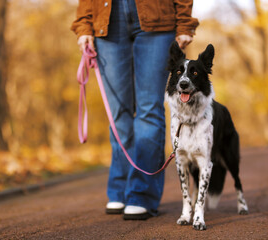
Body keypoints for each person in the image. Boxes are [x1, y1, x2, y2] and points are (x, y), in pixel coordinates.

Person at [71, 0, 199, 220]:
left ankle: (141, 194)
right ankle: (120, 188)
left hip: (157, 18)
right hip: (106, 19)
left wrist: (184, 23)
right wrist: (84, 25)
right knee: (118, 113)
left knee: (148, 110)